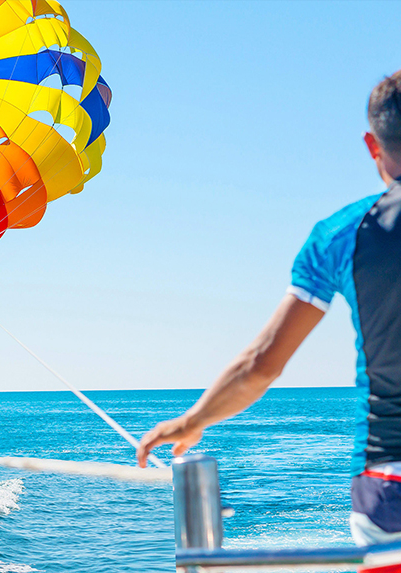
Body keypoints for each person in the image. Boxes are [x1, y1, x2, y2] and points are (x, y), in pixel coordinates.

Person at [137, 71, 401, 546]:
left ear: (371, 144)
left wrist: (191, 421)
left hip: (389, 488)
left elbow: (261, 365)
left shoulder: (340, 235)